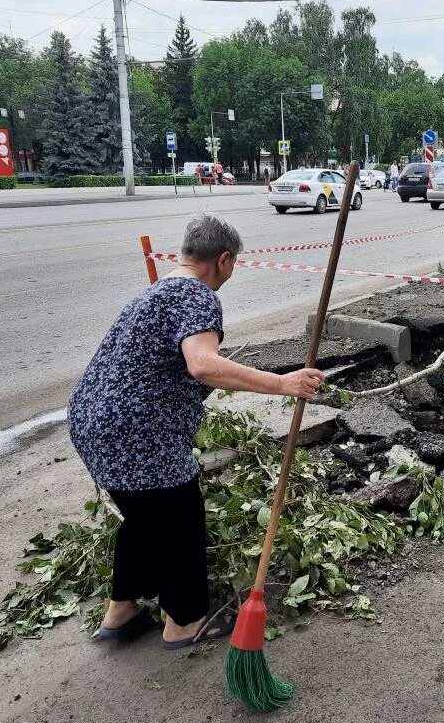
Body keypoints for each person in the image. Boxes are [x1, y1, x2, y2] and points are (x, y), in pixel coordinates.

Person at [68, 214, 325, 649]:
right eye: (233, 263)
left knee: (144, 517)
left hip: (91, 422)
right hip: (138, 432)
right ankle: (184, 620)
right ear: (223, 260)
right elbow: (202, 365)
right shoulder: (197, 297)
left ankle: (122, 610)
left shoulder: (157, 291)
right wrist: (283, 383)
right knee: (179, 516)